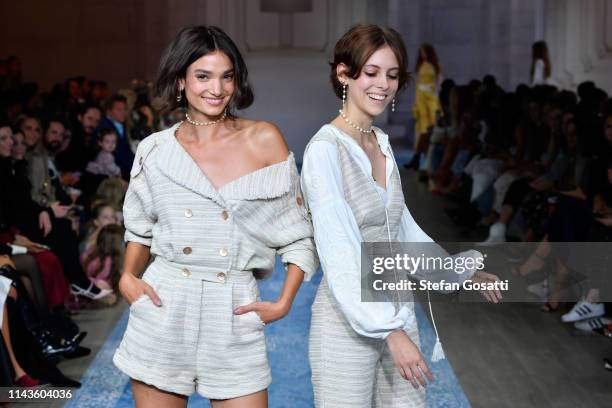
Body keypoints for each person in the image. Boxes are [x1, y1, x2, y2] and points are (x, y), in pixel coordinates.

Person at [113, 26, 317, 408]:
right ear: (180, 80)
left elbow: (298, 234)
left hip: (234, 307)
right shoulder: (155, 150)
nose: (217, 89)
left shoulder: (263, 139)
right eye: (203, 76)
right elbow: (139, 228)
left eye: (227, 76)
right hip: (165, 306)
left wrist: (285, 301)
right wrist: (127, 277)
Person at [301, 24, 501, 408]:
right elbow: (339, 247)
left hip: (396, 305)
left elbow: (403, 230)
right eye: (371, 72)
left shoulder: (382, 143)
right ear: (344, 74)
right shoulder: (324, 150)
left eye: (392, 75)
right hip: (347, 321)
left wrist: (458, 271)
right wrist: (389, 331)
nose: (384, 84)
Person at [406, 43, 442, 174]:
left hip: (431, 101)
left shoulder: (434, 66)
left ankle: (419, 159)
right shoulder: (421, 66)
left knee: (427, 131)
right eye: (421, 52)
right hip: (422, 101)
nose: (423, 54)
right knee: (422, 130)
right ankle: (420, 160)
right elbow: (418, 85)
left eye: (424, 52)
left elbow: (438, 83)